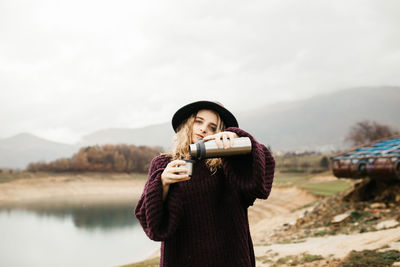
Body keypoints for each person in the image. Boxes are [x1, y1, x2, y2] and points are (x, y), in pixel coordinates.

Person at [135, 100, 275, 267]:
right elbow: (151, 225)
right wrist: (162, 183)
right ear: (187, 124)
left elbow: (261, 182)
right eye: (198, 121)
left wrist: (239, 139)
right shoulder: (162, 164)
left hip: (231, 258)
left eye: (212, 127)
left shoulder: (229, 164)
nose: (203, 129)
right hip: (181, 259)